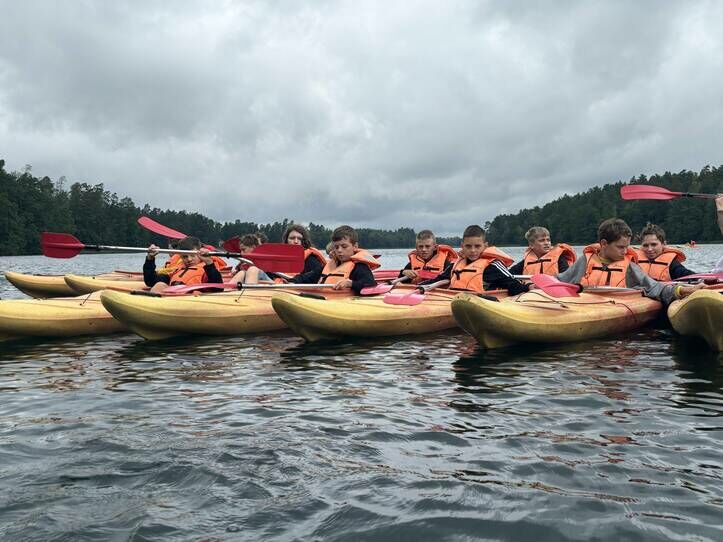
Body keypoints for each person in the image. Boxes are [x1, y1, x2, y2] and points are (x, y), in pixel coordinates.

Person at [556, 218, 702, 304]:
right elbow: (558, 281)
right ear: (604, 244)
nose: (626, 251)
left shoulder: (630, 267)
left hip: (616, 309)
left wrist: (683, 290)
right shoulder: (584, 262)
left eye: (627, 247)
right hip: (583, 306)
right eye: (620, 247)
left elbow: (656, 288)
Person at [420, 225, 528, 295]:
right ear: (462, 246)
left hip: (480, 302)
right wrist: (417, 286)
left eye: (477, 246)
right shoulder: (456, 264)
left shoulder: (492, 265)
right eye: (468, 246)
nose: (472, 250)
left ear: (485, 246)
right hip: (453, 301)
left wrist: (528, 287)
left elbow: (514, 285)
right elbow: (439, 279)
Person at [291, 225, 378, 293]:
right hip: (325, 298)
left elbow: (371, 284)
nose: (339, 250)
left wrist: (351, 283)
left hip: (342, 302)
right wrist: (293, 281)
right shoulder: (330, 265)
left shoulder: (359, 266)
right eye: (336, 247)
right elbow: (309, 277)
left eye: (344, 246)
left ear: (355, 246)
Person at [144, 236, 223, 293]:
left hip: (193, 299)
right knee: (159, 285)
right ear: (180, 257)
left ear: (199, 253)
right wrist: (150, 259)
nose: (189, 259)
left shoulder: (208, 270)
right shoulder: (177, 270)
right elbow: (150, 281)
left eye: (193, 255)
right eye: (185, 256)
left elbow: (218, 288)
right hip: (174, 298)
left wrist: (209, 263)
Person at [508, 226, 575, 276]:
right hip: (532, 289)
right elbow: (509, 274)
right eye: (542, 240)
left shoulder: (559, 258)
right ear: (531, 245)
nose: (546, 243)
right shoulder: (525, 262)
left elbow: (567, 277)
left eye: (548, 240)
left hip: (553, 289)